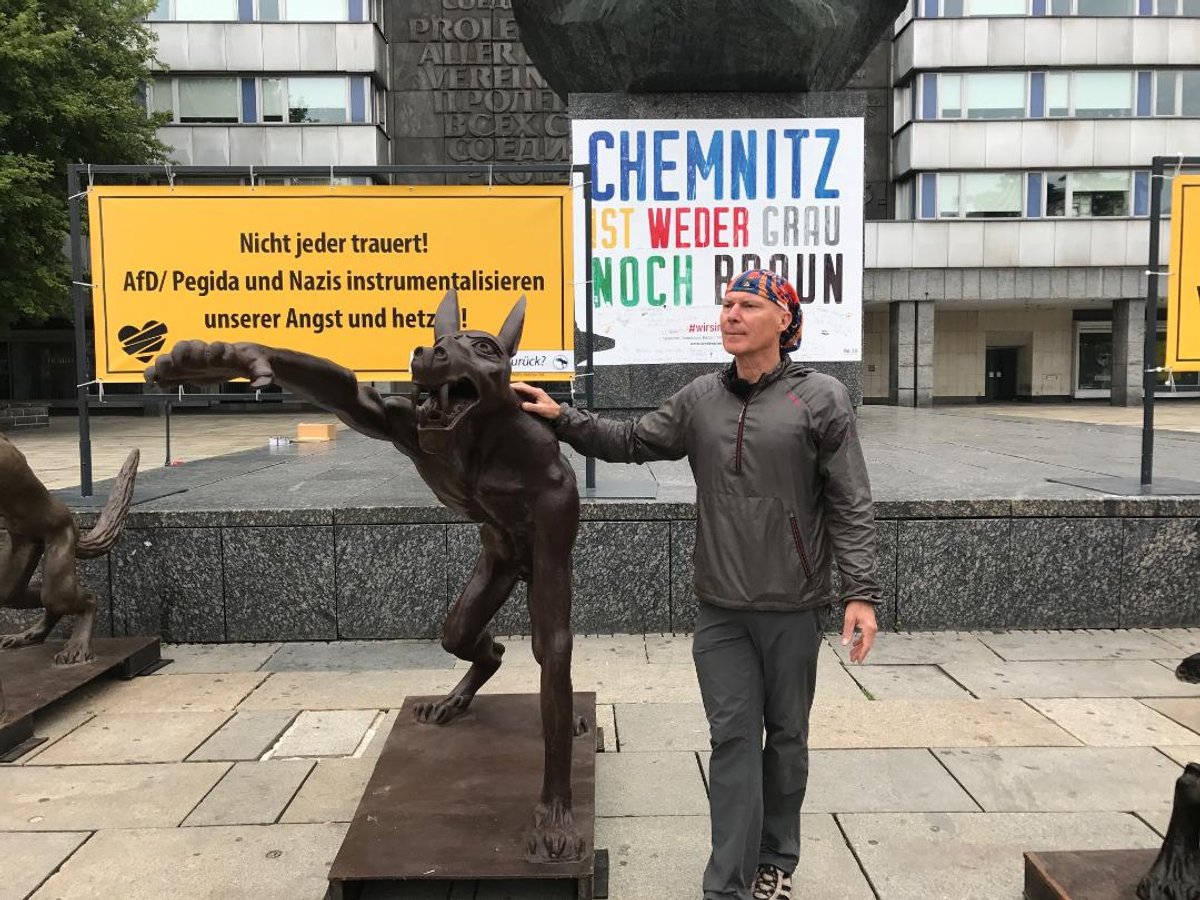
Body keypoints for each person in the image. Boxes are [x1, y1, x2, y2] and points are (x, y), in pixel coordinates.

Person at [513, 268, 880, 900]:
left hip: (794, 606)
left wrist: (861, 592)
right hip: (721, 610)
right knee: (734, 739)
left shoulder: (821, 398)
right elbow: (630, 440)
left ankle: (776, 857)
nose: (731, 314)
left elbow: (851, 501)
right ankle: (727, 887)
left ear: (785, 321)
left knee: (786, 739)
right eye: (727, 304)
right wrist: (562, 417)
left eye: (748, 304)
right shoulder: (699, 399)